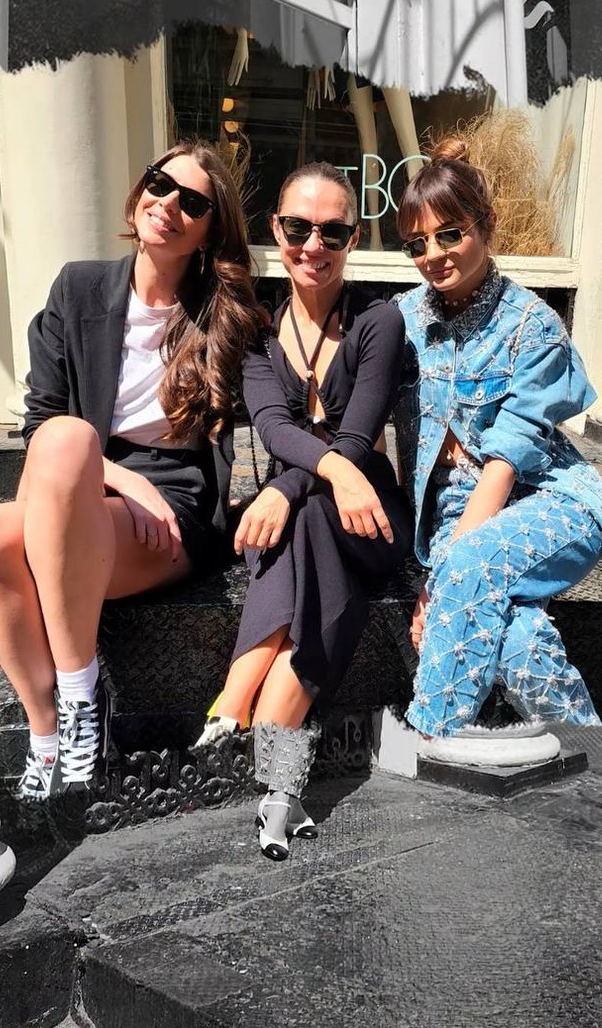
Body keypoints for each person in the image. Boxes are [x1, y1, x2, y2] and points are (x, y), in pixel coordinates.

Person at [0, 141, 268, 801]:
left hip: (172, 508)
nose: (169, 204)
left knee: (68, 443)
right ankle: (49, 731)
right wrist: (125, 480)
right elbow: (42, 422)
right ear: (138, 193)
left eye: (193, 202)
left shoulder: (223, 315)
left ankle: (81, 699)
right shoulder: (79, 288)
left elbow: (280, 402)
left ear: (210, 230)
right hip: (87, 485)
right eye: (159, 183)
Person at [393, 135, 602, 748]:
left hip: (549, 503)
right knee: (519, 642)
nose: (433, 256)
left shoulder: (533, 325)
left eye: (450, 234)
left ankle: (430, 742)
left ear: (487, 224)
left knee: (471, 570)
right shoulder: (402, 319)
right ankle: (588, 752)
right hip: (454, 510)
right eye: (417, 243)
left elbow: (505, 464)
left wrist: (444, 583)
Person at [197, 162, 413, 860]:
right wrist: (310, 482)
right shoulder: (259, 333)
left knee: (306, 513)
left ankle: (235, 699)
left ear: (354, 238)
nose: (313, 245)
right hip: (310, 521)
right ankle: (279, 786)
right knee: (310, 519)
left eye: (332, 231)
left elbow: (356, 439)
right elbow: (272, 426)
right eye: (298, 228)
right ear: (276, 230)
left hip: (371, 516)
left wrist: (285, 487)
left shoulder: (378, 321)